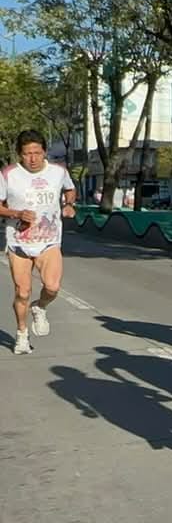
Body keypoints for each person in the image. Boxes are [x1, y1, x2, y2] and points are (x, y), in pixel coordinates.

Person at [0, 129, 77, 355]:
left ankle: (40, 306)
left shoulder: (58, 171)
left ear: (45, 152)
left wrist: (69, 204)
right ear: (19, 155)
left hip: (49, 240)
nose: (32, 158)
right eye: (27, 154)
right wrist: (15, 213)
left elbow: (70, 189)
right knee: (22, 292)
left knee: (52, 287)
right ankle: (22, 333)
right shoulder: (8, 174)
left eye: (37, 152)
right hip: (19, 242)